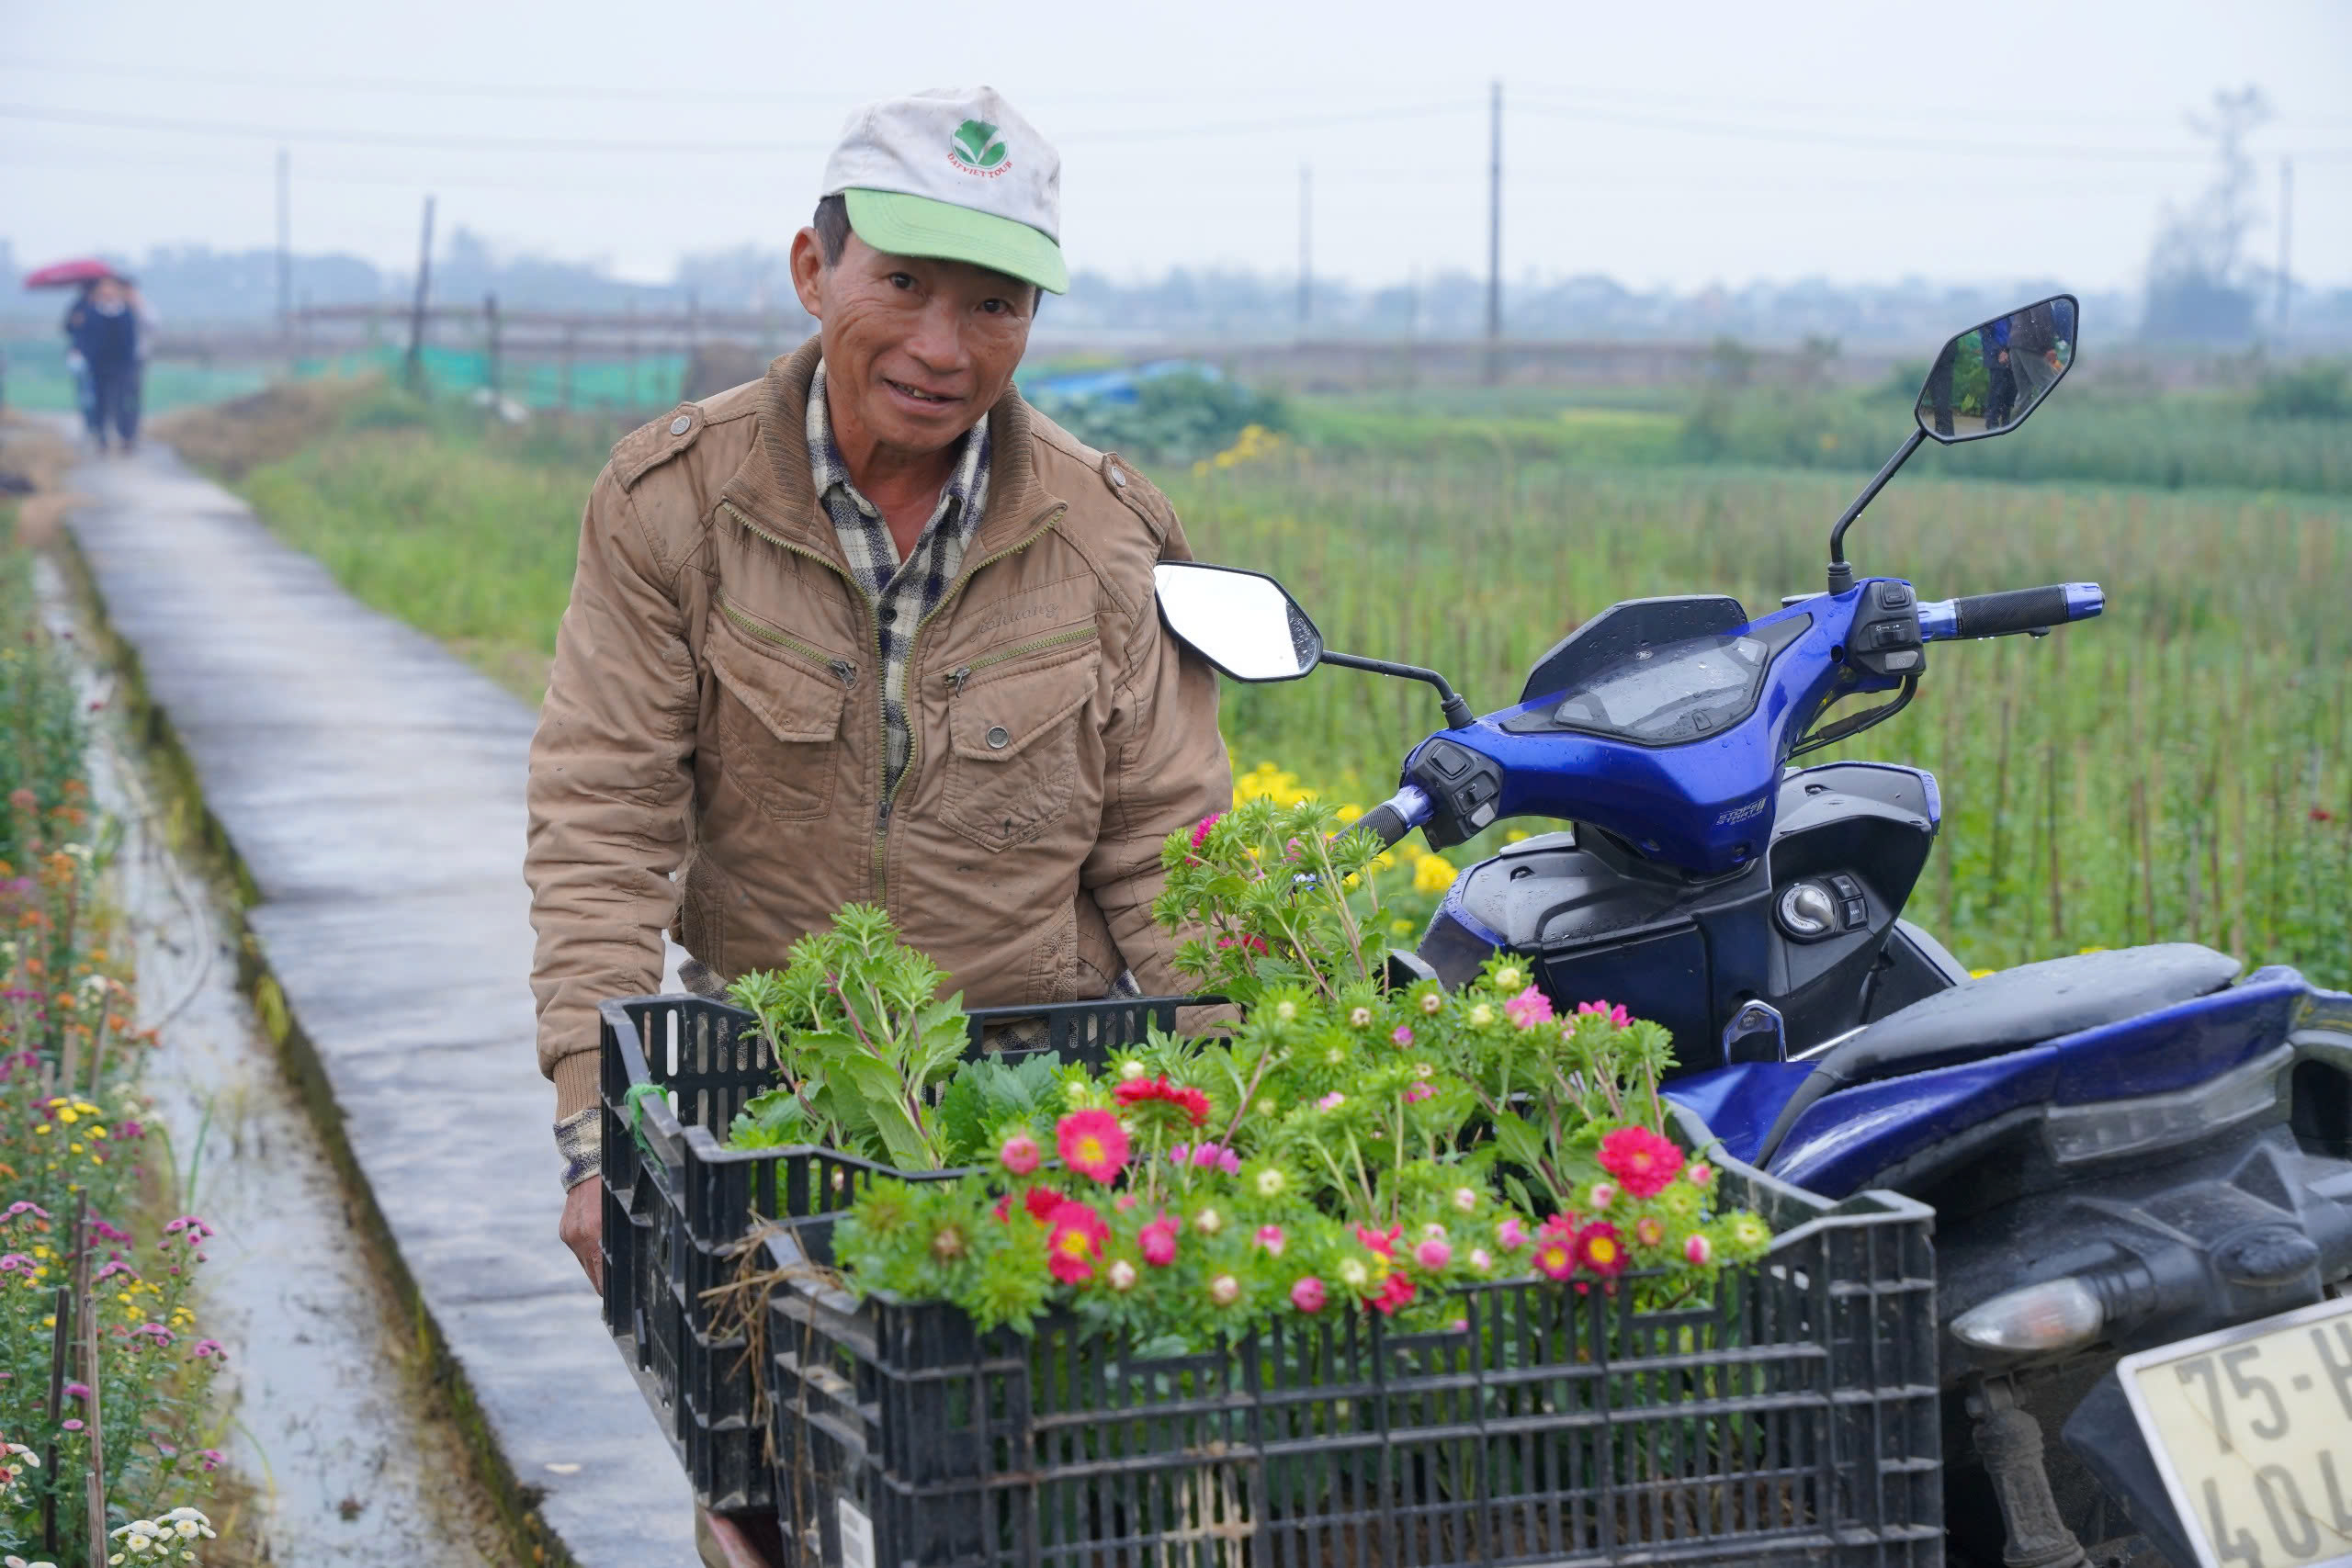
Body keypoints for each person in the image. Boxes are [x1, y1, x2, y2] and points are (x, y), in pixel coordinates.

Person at [524, 88, 1230, 1555]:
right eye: (902, 283)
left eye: (993, 301)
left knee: (1037, 1499)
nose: (941, 344)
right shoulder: (679, 501)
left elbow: (1171, 850)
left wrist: (1224, 1114)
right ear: (813, 269)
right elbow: (604, 813)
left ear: (1031, 316)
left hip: (1035, 1092)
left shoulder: (1109, 534)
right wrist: (601, 1136)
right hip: (771, 1087)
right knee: (767, 1496)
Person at [66, 276, 141, 452]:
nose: (107, 292)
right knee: (100, 401)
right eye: (104, 289)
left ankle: (126, 436)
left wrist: (129, 363)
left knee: (123, 401)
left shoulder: (125, 313)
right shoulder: (91, 313)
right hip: (98, 366)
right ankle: (102, 436)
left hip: (122, 366)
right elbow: (85, 338)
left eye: (111, 288)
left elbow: (130, 341)